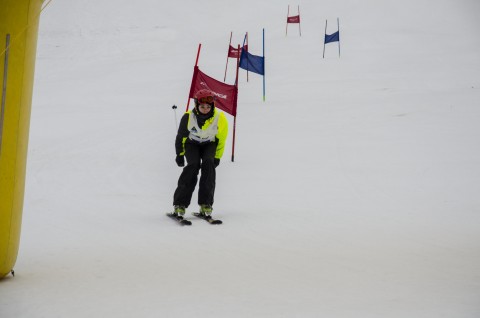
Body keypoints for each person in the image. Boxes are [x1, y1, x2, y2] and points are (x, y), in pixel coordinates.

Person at [172, 89, 228, 217]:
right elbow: (180, 137)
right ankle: (179, 204)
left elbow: (221, 140)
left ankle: (205, 204)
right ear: (197, 105)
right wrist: (179, 154)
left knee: (209, 164)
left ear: (212, 106)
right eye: (202, 106)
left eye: (208, 106)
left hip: (209, 144)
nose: (205, 109)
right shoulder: (187, 117)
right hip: (192, 144)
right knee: (193, 165)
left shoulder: (220, 118)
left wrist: (217, 157)